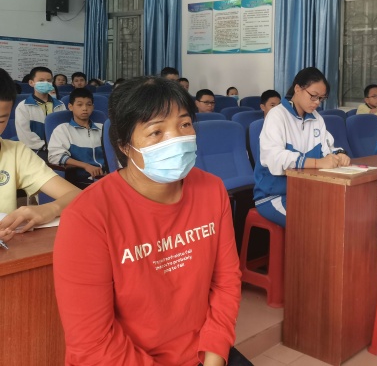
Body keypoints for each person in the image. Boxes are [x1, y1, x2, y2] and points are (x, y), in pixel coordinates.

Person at [53, 76, 245, 366]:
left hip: (202, 353)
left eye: (184, 124)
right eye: (156, 131)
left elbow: (226, 281)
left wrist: (214, 357)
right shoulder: (87, 217)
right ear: (124, 145)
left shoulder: (212, 189)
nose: (176, 139)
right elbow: (94, 344)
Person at [254, 67, 350, 227]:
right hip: (275, 194)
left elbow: (328, 148)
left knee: (342, 215)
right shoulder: (277, 115)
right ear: (298, 89)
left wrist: (338, 154)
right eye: (313, 96)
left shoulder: (317, 118)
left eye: (321, 98)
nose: (317, 102)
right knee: (313, 225)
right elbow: (275, 158)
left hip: (307, 191)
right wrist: (318, 163)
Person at [0, 68, 81, 242]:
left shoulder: (16, 153)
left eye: (1, 120)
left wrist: (51, 208)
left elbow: (77, 195)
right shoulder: (25, 107)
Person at [48, 88, 105, 186]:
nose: (85, 108)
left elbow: (113, 155)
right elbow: (56, 156)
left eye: (88, 104)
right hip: (80, 180)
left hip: (105, 177)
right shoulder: (63, 129)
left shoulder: (102, 128)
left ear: (93, 107)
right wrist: (86, 166)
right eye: (79, 105)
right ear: (70, 107)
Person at [15, 66, 67, 156]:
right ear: (31, 83)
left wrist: (58, 147)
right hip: (34, 150)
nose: (46, 83)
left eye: (49, 81)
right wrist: (45, 146)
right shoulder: (23, 106)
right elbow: (25, 135)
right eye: (41, 80)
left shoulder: (60, 105)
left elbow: (65, 129)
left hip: (59, 149)